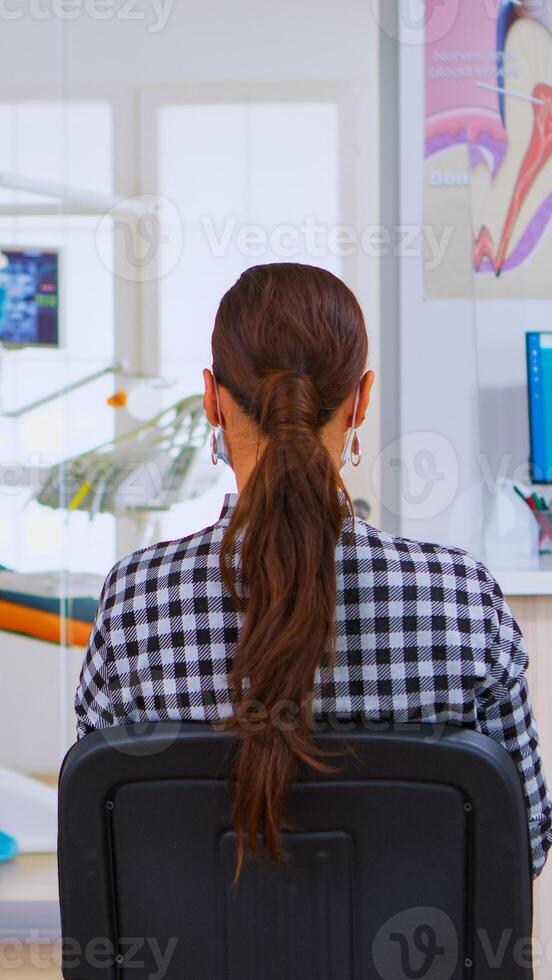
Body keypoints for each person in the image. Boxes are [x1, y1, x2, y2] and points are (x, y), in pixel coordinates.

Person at [75, 262, 551, 878]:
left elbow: (93, 840)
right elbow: (524, 842)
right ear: (360, 401)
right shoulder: (462, 600)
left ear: (212, 400)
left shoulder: (134, 603)